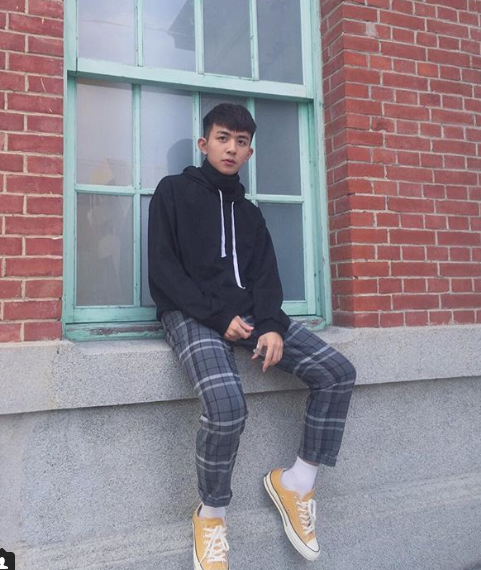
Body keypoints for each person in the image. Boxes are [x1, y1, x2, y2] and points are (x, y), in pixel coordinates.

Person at [148, 103, 357, 569]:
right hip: (190, 314)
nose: (231, 148)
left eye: (241, 142)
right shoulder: (173, 191)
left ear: (249, 152)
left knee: (336, 372)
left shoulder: (249, 214)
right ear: (204, 144)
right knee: (227, 407)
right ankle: (211, 516)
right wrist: (218, 315)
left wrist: (272, 326)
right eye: (223, 138)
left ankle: (297, 482)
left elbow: (265, 278)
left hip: (247, 317)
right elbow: (163, 271)